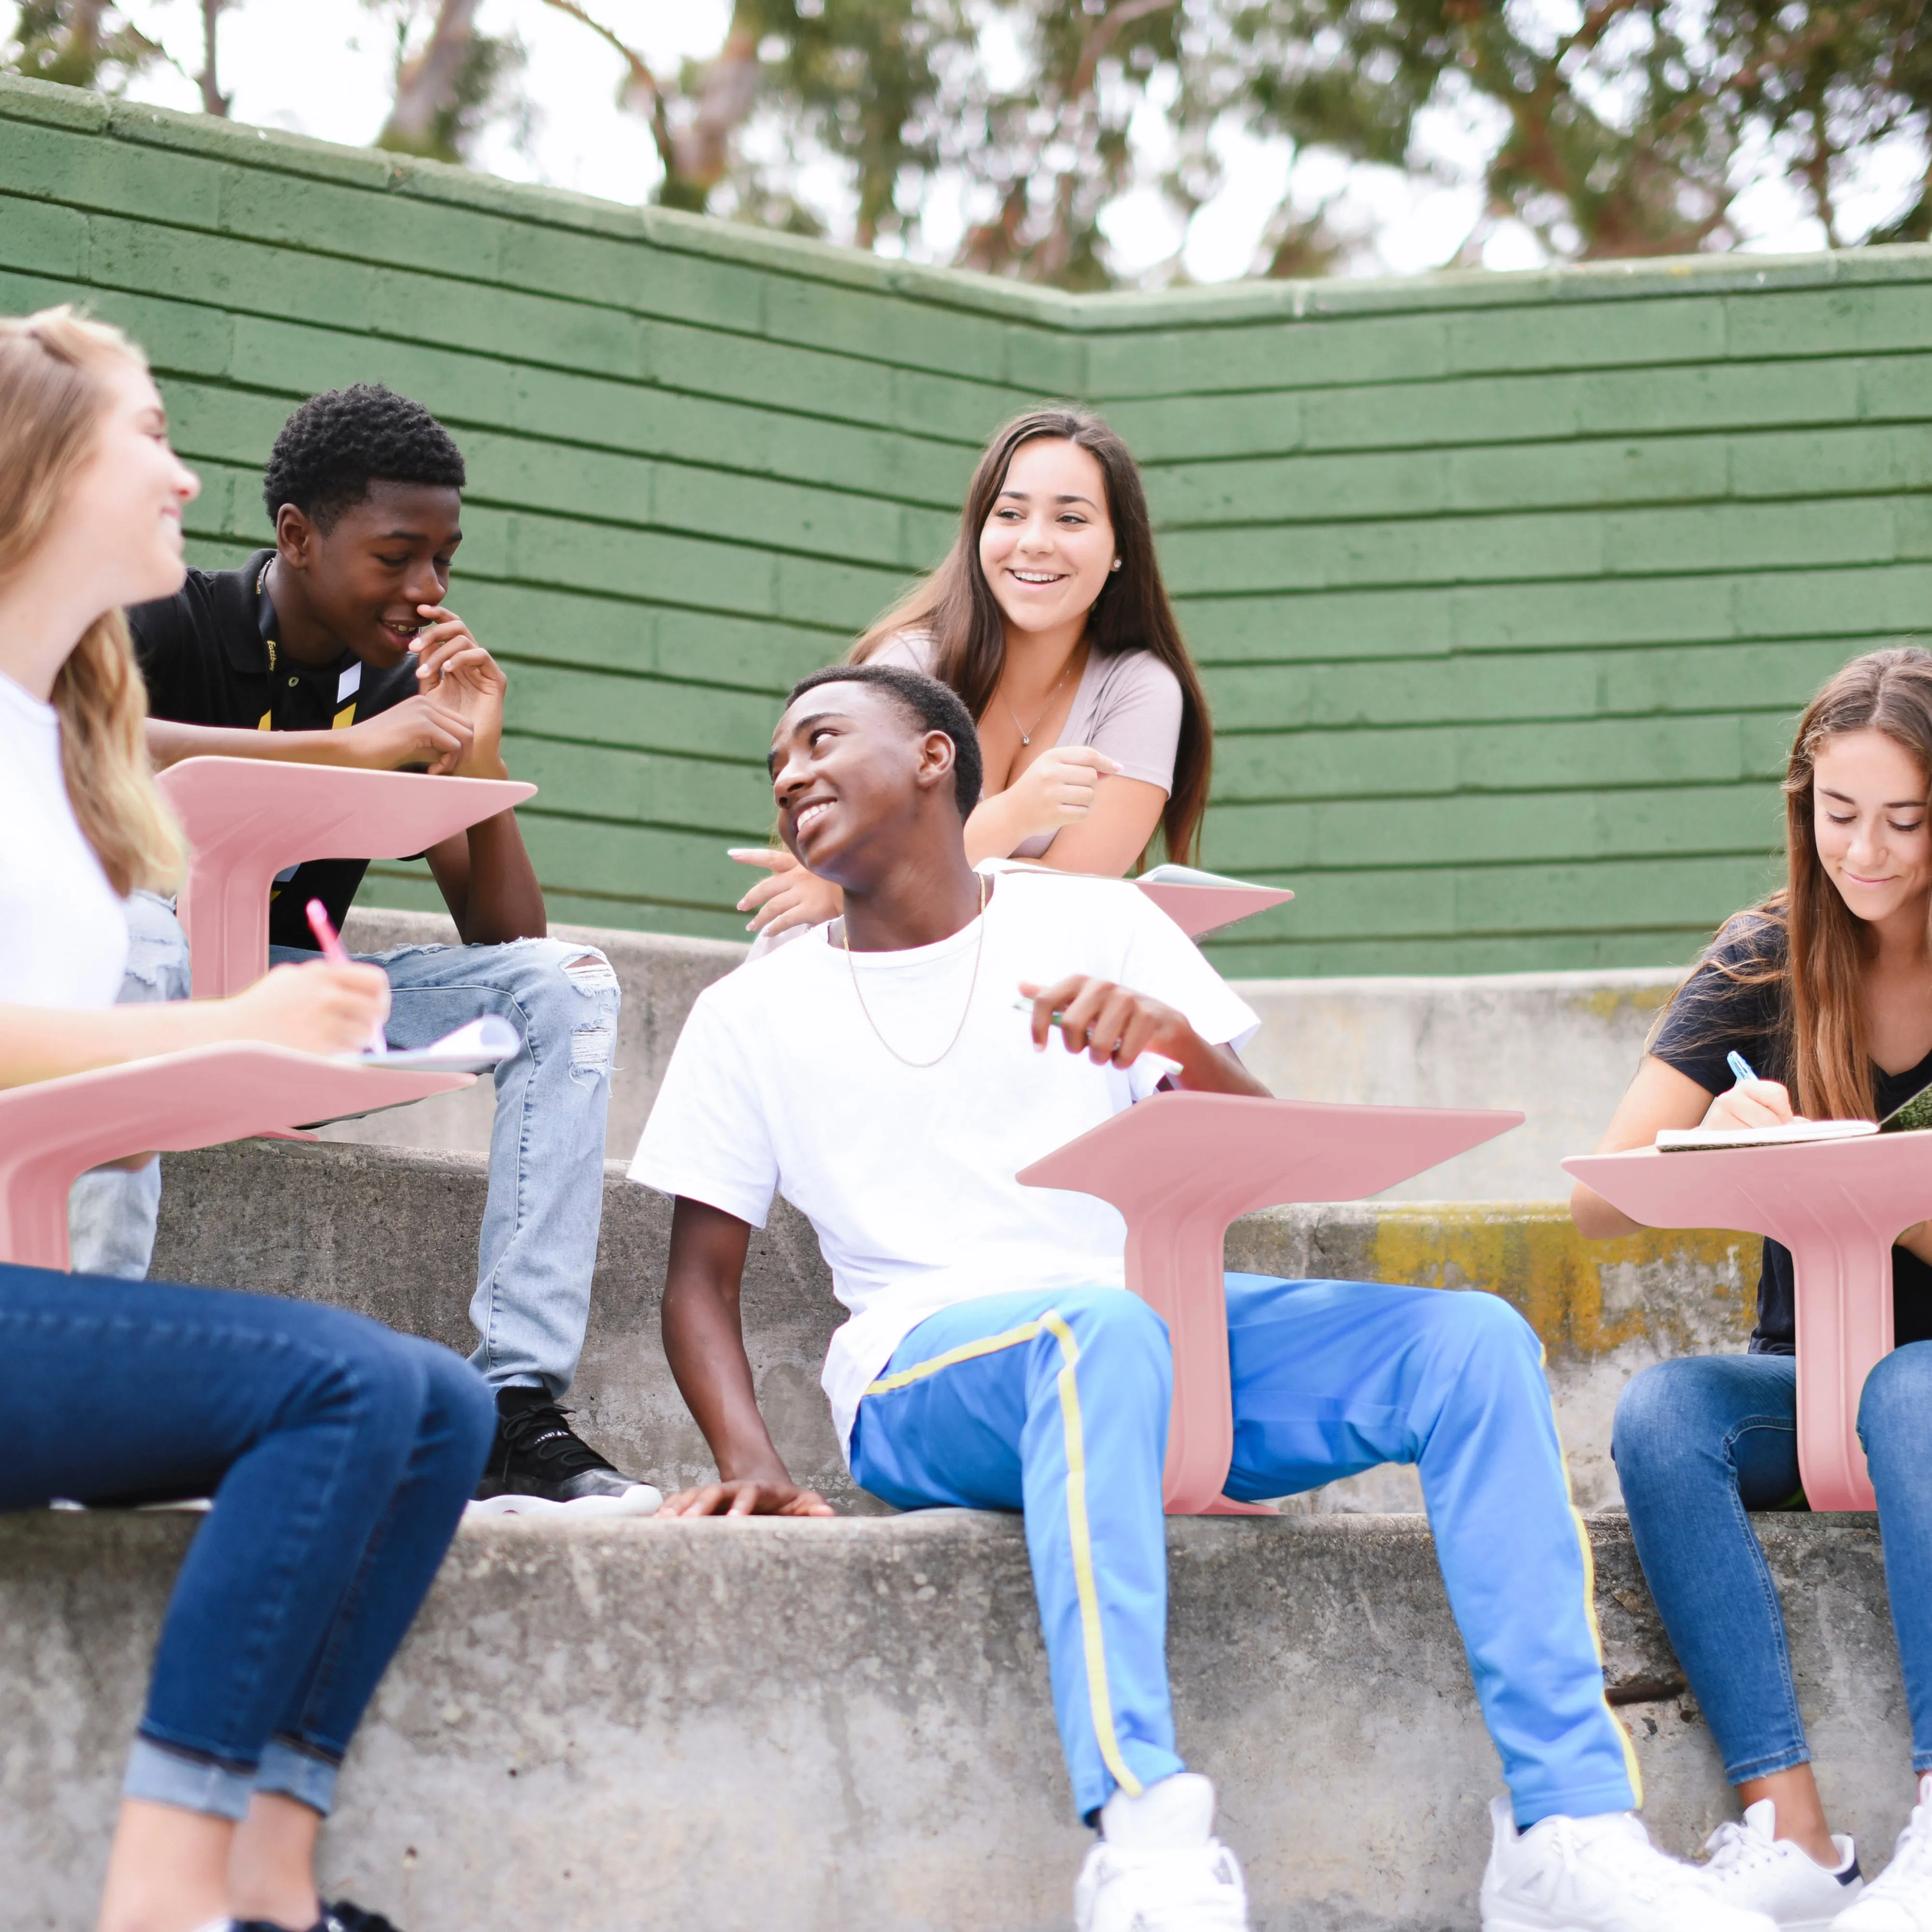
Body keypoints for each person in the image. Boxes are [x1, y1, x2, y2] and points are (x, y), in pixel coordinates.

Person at [631, 659, 1775, 1932]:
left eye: (820, 740)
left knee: (1470, 1343)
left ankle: (1571, 1829)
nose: (790, 775)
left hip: (1149, 1335)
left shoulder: (1102, 925)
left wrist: (1174, 1040)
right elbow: (698, 1277)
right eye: (776, 762)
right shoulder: (753, 1013)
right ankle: (1145, 1832)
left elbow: (1262, 1154)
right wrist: (749, 1455)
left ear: (935, 758)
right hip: (927, 1376)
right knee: (1098, 1330)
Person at [0, 305, 495, 1932]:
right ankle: (161, 1902)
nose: (190, 479)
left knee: (441, 1409)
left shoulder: (63, 750)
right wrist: (230, 1024)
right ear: (39, 466)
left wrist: (277, 1058)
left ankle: (275, 1887)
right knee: (346, 1386)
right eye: (151, 437)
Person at [124, 382, 657, 1518]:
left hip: (299, 1008)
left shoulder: (413, 684)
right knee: (127, 934)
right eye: (398, 556)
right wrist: (356, 751)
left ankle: (515, 1408)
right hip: (146, 1004)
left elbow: (504, 939)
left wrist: (478, 762)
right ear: (297, 535)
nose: (427, 591)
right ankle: (80, 1360)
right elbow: (86, 743)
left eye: (445, 561)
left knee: (563, 986)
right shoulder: (172, 618)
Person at [1578, 647, 1932, 1932]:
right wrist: (1725, 1141)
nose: (1870, 853)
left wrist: (1878, 1175)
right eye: (1841, 817)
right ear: (1804, 806)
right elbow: (1598, 1198)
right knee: (1666, 1413)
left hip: (1925, 1387)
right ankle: (1790, 1831)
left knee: (1913, 1393)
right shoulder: (1766, 954)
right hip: (1806, 1374)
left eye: (1906, 819)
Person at [730, 406, 1212, 939]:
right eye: (1009, 514)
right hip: (848, 974)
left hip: (1005, 986)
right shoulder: (907, 666)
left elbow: (1077, 891)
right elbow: (864, 867)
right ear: (978, 531)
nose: (1034, 541)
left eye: (1070, 519)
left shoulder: (1141, 688)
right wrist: (1015, 815)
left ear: (1121, 546)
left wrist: (908, 867)